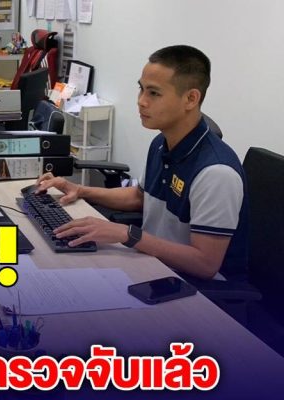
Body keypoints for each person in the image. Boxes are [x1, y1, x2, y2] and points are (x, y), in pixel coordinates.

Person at [35, 45, 248, 281]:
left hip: (194, 288)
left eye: (154, 93)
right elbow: (140, 198)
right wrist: (80, 190)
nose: (141, 101)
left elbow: (205, 264)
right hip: (152, 264)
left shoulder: (216, 172)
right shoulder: (162, 143)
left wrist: (128, 235)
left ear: (191, 99)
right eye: (141, 89)